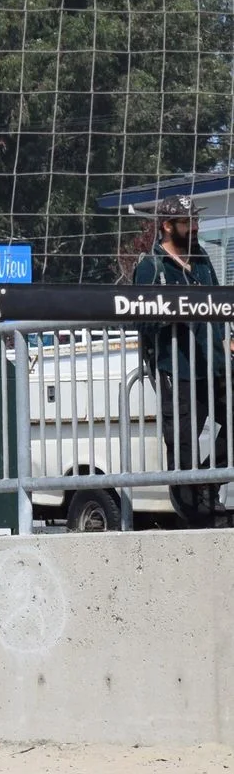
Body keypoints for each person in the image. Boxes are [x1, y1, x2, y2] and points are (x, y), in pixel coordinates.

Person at [130, 195, 228, 526]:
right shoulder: (151, 267)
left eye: (196, 220)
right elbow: (138, 319)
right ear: (168, 226)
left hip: (214, 365)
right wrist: (170, 315)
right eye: (189, 221)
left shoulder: (201, 259)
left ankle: (208, 482)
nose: (196, 226)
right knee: (182, 446)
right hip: (178, 370)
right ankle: (195, 513)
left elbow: (218, 304)